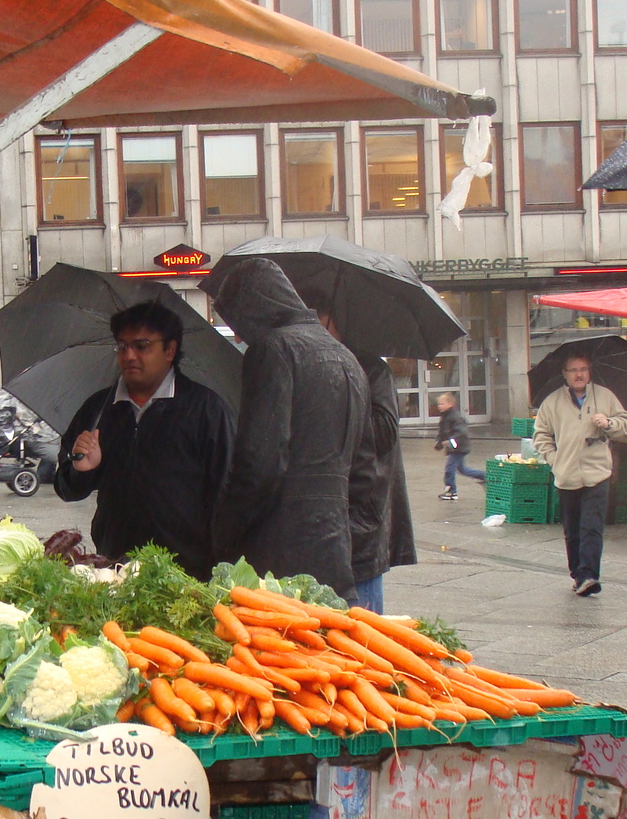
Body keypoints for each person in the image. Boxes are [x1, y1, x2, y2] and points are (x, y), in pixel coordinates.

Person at [207, 259, 369, 600]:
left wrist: (223, 533)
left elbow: (259, 460)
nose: (237, 334)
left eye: (237, 321)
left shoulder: (273, 349)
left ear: (255, 307)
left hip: (280, 546)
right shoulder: (345, 356)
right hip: (334, 540)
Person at [54, 301, 234, 579]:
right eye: (122, 346)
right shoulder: (100, 408)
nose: (129, 356)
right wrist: (81, 470)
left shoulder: (205, 410)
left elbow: (226, 494)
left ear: (170, 350)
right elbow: (67, 489)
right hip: (113, 566)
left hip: (186, 570)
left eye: (142, 346)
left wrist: (219, 560)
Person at [318, 313, 415, 614]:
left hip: (362, 515)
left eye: (314, 316)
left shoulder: (372, 369)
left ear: (330, 319)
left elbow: (385, 431)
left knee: (364, 625)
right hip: (321, 514)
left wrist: (338, 404)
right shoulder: (314, 365)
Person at [532, 353, 627, 597]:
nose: (579, 374)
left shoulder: (604, 396)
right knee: (573, 530)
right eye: (573, 370)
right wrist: (554, 459)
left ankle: (589, 574)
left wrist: (608, 423)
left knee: (592, 527)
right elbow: (541, 434)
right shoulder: (552, 402)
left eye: (583, 369)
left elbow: (623, 423)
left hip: (597, 473)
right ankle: (577, 574)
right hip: (566, 475)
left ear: (589, 372)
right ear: (564, 374)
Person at [433, 393, 485, 501]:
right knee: (462, 469)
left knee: (449, 468)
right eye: (439, 404)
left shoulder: (455, 416)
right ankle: (485, 476)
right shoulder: (445, 416)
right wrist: (438, 442)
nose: (439, 406)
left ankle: (451, 491)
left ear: (450, 404)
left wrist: (450, 442)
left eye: (442, 404)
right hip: (456, 447)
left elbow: (461, 432)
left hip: (459, 447)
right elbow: (443, 432)